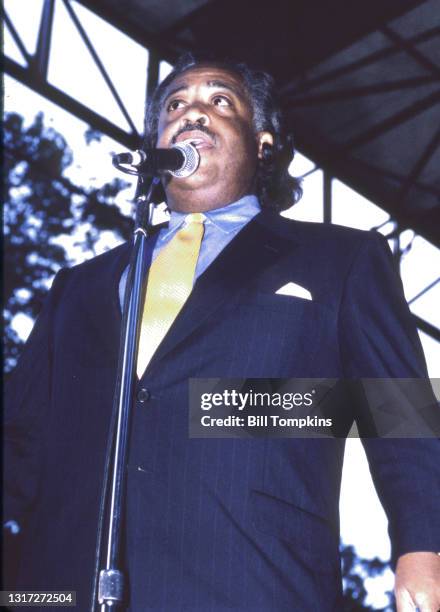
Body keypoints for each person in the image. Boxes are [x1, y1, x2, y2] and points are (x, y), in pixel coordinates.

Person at [4, 54, 440, 611]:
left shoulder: (341, 258)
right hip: (64, 587)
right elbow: (20, 439)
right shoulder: (79, 287)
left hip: (250, 579)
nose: (192, 113)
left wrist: (423, 550)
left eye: (219, 100)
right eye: (176, 105)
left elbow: (397, 411)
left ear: (262, 140)